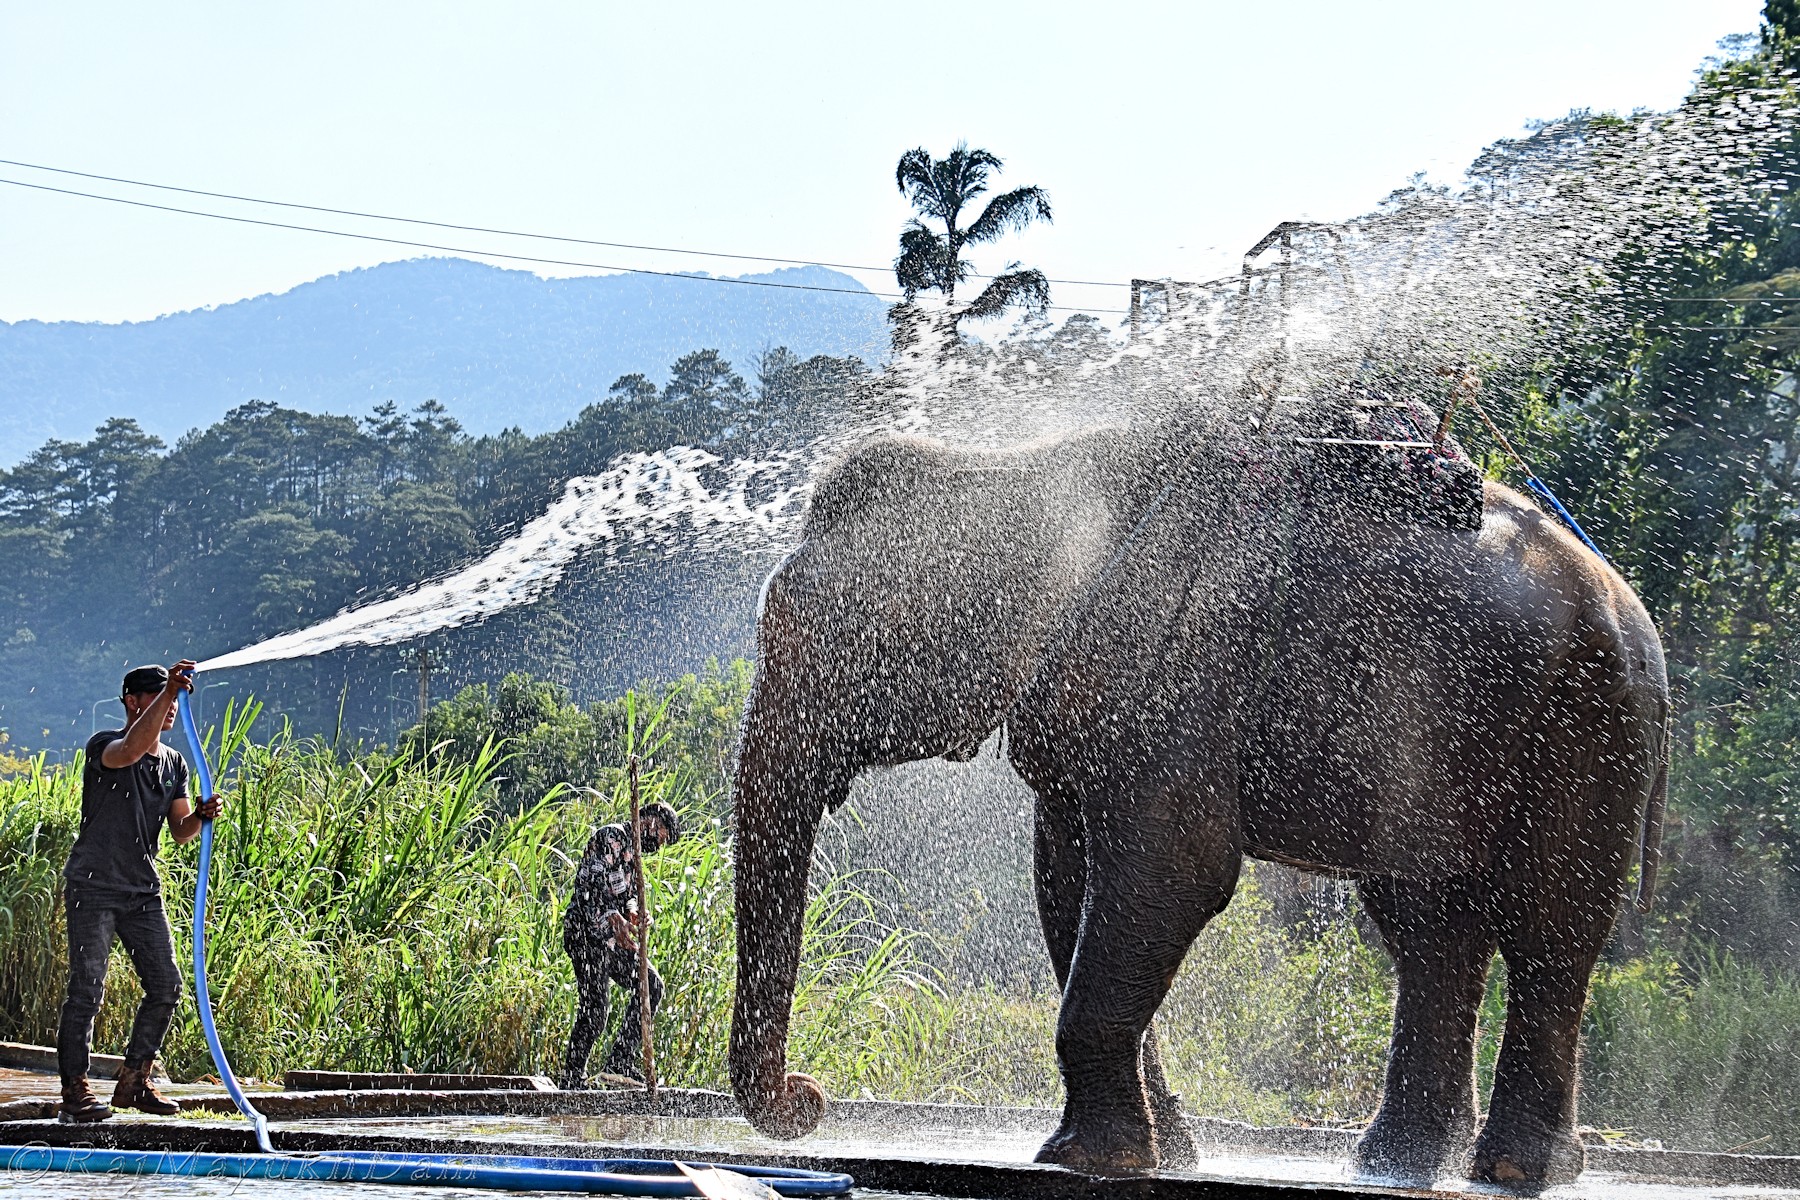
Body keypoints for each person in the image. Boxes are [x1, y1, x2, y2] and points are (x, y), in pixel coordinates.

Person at [58, 660, 222, 1124]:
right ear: (133, 701)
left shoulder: (173, 763)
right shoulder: (105, 746)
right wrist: (172, 688)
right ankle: (75, 1092)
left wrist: (203, 816)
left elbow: (181, 830)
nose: (171, 707)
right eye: (159, 697)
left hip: (142, 891)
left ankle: (134, 1081)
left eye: (173, 698)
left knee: (166, 984)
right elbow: (131, 750)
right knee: (87, 989)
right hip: (93, 885)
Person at [559, 801, 680, 1089]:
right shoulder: (610, 838)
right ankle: (571, 1080)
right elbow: (588, 889)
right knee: (595, 1010)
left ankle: (619, 1063)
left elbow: (626, 896)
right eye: (663, 833)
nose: (661, 842)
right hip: (586, 935)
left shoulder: (633, 856)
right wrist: (613, 917)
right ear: (651, 821)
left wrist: (633, 913)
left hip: (612, 941)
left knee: (650, 984)